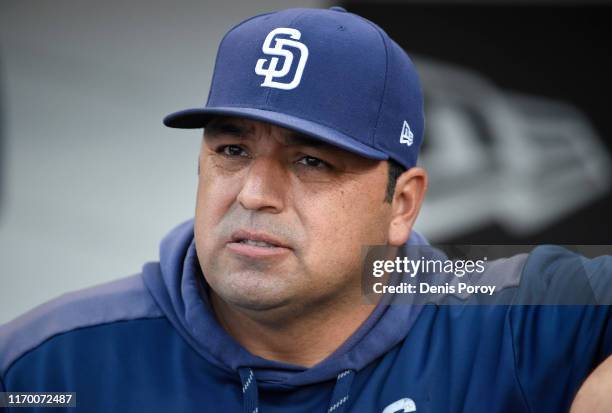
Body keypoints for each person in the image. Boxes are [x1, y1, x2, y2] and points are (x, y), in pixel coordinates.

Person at [1, 7, 611, 413]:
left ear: (401, 205)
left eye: (310, 161)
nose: (252, 193)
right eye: (232, 150)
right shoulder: (47, 364)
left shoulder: (504, 310)